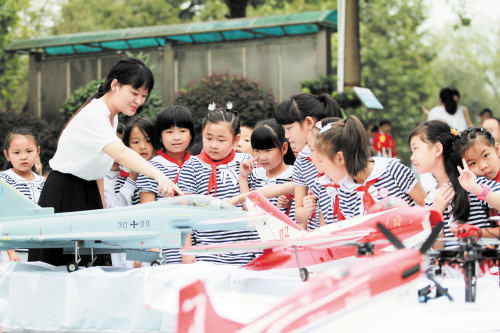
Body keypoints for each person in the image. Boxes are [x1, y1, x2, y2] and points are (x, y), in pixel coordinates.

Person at [29, 57, 181, 267]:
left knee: (91, 269)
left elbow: (98, 171)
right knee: (63, 269)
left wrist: (102, 212)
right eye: (134, 93)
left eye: (144, 96)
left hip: (87, 194)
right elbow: (120, 153)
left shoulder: (112, 116)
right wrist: (158, 175)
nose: (139, 101)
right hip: (65, 195)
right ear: (115, 85)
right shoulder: (94, 114)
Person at [177, 102, 257, 265]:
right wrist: (187, 250)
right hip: (206, 249)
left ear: (236, 140)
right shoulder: (191, 165)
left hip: (243, 248)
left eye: (221, 140)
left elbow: (254, 207)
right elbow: (183, 211)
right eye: (208, 138)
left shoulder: (245, 162)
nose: (213, 145)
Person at [314, 116, 426, 219]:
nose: (321, 168)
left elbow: (427, 207)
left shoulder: (393, 171)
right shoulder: (345, 192)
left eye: (321, 161)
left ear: (340, 158)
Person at [409, 121, 500, 248]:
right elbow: (438, 249)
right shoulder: (431, 198)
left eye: (415, 149)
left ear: (437, 149)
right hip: (450, 267)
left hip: (481, 265)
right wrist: (436, 214)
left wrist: (477, 189)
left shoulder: (473, 183)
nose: (412, 157)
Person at [275, 93, 344, 230]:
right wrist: (306, 210)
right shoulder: (302, 161)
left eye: (289, 128)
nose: (287, 136)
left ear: (308, 123)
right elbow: (299, 214)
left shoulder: (341, 155)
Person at [137, 106, 194, 265]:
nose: (176, 137)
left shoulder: (197, 165)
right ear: (160, 137)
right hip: (159, 249)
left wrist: (187, 251)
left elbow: (192, 212)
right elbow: (146, 212)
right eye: (169, 132)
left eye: (182, 131)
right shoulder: (151, 168)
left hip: (191, 251)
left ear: (191, 134)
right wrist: (151, 252)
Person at [0, 129, 45, 263]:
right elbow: (2, 215)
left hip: (40, 248)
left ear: (38, 152)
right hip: (13, 250)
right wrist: (10, 251)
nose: (23, 157)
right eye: (16, 152)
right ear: (7, 155)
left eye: (29, 151)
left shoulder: (43, 183)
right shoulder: (4, 181)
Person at [238, 119, 295, 218]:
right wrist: (243, 177)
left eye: (268, 150)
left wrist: (289, 203)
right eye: (257, 150)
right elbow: (248, 208)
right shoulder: (254, 175)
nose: (262, 157)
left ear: (284, 148)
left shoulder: (294, 175)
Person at [304, 118, 344, 226]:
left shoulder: (357, 183)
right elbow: (324, 228)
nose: (311, 156)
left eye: (312, 150)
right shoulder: (321, 184)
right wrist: (307, 208)